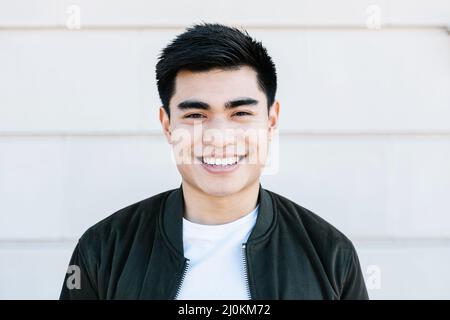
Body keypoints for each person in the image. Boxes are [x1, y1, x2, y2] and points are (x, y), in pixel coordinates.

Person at [60, 22, 369, 300]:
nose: (219, 136)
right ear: (167, 125)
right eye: (196, 115)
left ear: (271, 121)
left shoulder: (329, 255)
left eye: (241, 113)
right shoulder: (104, 249)